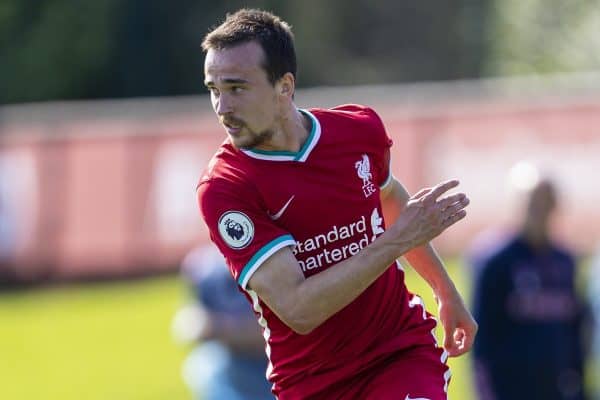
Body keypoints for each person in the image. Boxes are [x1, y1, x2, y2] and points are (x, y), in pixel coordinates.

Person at [196, 9, 477, 399]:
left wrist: (445, 292)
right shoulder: (227, 188)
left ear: (284, 86)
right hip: (312, 383)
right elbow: (300, 310)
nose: (222, 107)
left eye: (237, 88)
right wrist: (396, 241)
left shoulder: (358, 131)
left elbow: (388, 195)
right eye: (214, 89)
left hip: (399, 354)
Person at [471, 164, 588, 400]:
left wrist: (580, 387)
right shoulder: (495, 260)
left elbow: (575, 332)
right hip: (509, 389)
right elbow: (481, 337)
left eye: (546, 202)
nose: (540, 210)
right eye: (533, 202)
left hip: (557, 390)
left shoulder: (565, 261)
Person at [171, 244, 272, 400]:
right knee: (204, 364)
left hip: (271, 363)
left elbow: (271, 332)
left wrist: (221, 329)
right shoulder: (202, 265)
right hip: (233, 364)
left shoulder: (269, 259)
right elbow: (188, 325)